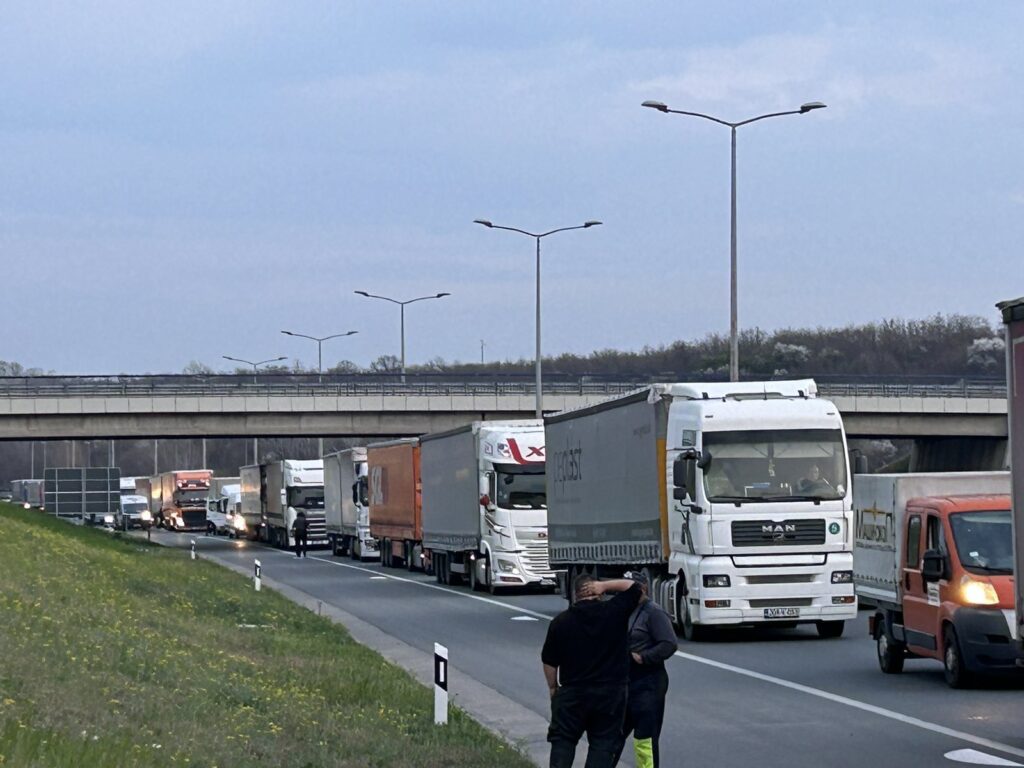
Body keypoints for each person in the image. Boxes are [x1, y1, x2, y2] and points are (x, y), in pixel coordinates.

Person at [541, 574, 642, 768]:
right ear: (598, 593)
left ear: (575, 593)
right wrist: (604, 585)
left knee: (563, 739)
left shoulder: (561, 622)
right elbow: (635, 587)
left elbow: (549, 661)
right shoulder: (614, 612)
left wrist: (553, 688)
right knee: (603, 743)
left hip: (573, 693)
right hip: (610, 694)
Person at [613, 571, 678, 768]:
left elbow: (669, 644)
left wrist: (643, 657)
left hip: (648, 683)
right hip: (624, 684)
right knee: (611, 736)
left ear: (643, 589)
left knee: (645, 739)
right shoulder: (622, 610)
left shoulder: (653, 613)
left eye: (633, 589)